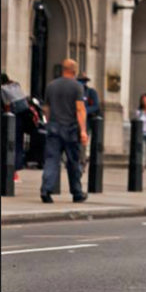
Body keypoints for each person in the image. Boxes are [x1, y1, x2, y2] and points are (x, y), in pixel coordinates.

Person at [40, 59, 89, 203]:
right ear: (74, 71)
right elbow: (80, 109)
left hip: (54, 127)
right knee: (73, 162)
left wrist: (49, 122)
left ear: (63, 69)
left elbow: (46, 108)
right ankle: (77, 192)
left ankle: (46, 190)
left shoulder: (51, 86)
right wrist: (83, 131)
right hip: (70, 129)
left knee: (51, 160)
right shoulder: (77, 87)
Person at [1, 72, 34, 177]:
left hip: (12, 117)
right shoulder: (16, 85)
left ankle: (13, 169)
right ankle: (18, 165)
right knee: (18, 142)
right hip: (23, 117)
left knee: (10, 142)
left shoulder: (3, 89)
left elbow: (6, 105)